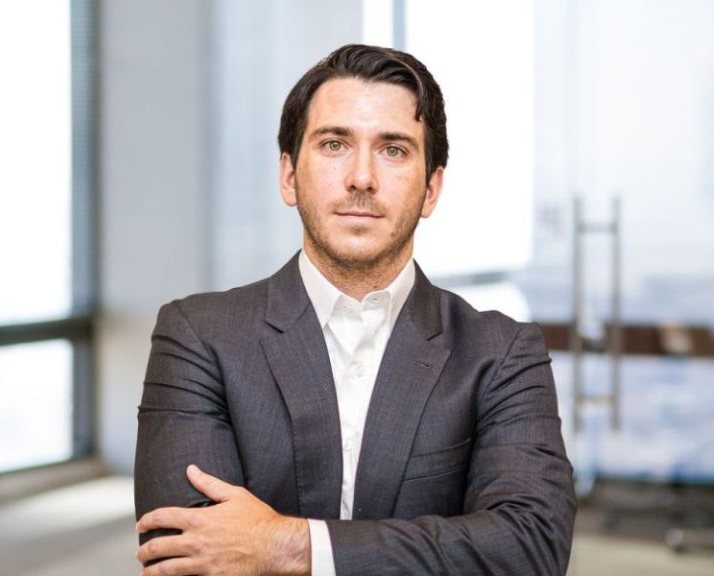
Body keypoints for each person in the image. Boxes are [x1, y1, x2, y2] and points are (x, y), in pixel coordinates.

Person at [134, 44, 576, 575]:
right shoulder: (198, 337)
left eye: (393, 150)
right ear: (289, 176)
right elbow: (185, 555)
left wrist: (291, 546)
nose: (362, 177)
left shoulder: (501, 354)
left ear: (431, 188)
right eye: (334, 144)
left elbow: (529, 549)